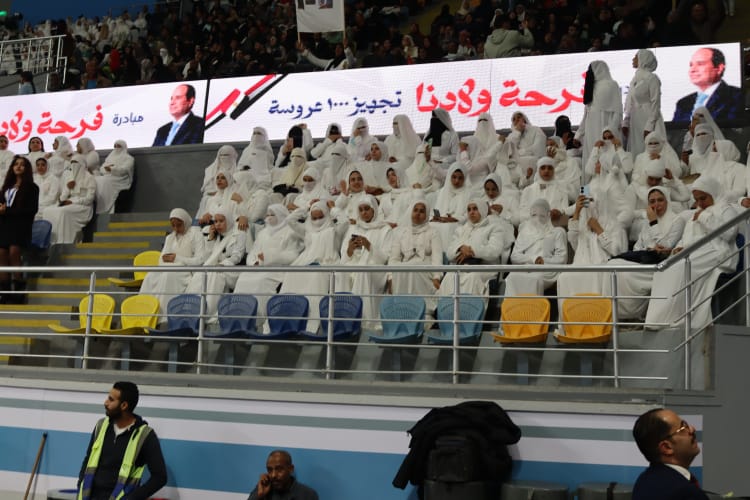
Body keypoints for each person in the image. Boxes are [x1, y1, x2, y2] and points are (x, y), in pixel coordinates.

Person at [645, 176, 737, 332]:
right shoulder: (697, 213)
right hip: (696, 251)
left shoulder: (726, 209)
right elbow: (686, 237)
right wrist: (679, 248)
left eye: (703, 198)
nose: (700, 203)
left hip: (718, 252)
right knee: (664, 269)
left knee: (680, 268)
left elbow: (730, 233)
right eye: (697, 199)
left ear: (713, 192)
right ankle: (658, 319)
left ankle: (675, 319)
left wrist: (704, 217)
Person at [605, 186, 686, 320]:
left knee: (623, 273)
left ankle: (631, 313)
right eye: (652, 202)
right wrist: (651, 229)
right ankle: (618, 314)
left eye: (660, 200)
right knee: (612, 265)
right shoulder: (647, 223)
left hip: (661, 264)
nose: (656, 205)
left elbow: (665, 246)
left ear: (667, 201)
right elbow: (638, 247)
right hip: (643, 260)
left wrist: (654, 222)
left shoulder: (677, 220)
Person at [77, 381, 167, 500]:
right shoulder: (101, 426)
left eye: (111, 400)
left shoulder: (145, 436)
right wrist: (80, 485)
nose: (105, 403)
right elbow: (88, 459)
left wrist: (132, 498)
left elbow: (160, 478)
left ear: (124, 405)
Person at [139, 208, 206, 315]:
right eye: (173, 226)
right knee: (150, 276)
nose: (176, 229)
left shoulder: (196, 235)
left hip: (185, 271)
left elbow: (200, 260)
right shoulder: (170, 238)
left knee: (168, 276)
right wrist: (165, 260)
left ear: (185, 222)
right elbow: (161, 260)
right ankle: (144, 313)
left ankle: (164, 315)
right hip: (169, 269)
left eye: (179, 225)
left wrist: (177, 259)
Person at [631, 408, 708, 500]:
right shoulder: (687, 493)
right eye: (683, 428)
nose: (692, 429)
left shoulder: (644, 481)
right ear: (667, 447)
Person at [387, 200, 443, 316]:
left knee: (412, 267)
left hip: (425, 268)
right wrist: (391, 277)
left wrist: (437, 277)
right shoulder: (401, 232)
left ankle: (423, 310)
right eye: (415, 210)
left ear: (426, 215)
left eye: (422, 211)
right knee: (401, 268)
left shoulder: (433, 232)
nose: (417, 213)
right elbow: (393, 259)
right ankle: (401, 308)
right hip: (405, 269)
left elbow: (437, 257)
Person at [505, 198, 567, 297]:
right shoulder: (524, 232)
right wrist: (533, 259)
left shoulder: (558, 232)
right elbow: (514, 256)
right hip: (527, 267)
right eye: (534, 215)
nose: (537, 219)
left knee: (534, 279)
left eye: (542, 215)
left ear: (548, 215)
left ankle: (532, 307)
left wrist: (544, 261)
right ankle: (512, 307)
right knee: (512, 277)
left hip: (547, 269)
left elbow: (562, 259)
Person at [0, 156, 39, 303]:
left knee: (14, 252)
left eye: (22, 164)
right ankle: (4, 292)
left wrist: (7, 211)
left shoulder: (32, 188)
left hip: (20, 227)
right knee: (1, 254)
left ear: (27, 168)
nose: (18, 166)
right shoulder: (6, 187)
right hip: (4, 226)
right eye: (16, 164)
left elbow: (31, 210)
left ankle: (18, 290)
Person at [671, 47, 743, 124]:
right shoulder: (683, 103)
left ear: (719, 68)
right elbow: (675, 130)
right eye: (691, 65)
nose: (692, 70)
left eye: (700, 64)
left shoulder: (737, 97)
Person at [575, 61, 623, 169]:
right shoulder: (591, 86)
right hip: (592, 129)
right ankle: (589, 181)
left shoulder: (612, 85)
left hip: (607, 129)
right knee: (592, 157)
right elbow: (586, 114)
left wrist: (611, 130)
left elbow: (617, 111)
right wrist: (578, 135)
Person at [42, 155, 96, 245]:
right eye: (72, 164)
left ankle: (65, 242)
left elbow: (89, 199)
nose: (74, 166)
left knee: (63, 212)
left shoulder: (89, 178)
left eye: (76, 164)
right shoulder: (70, 177)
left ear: (82, 164)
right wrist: (68, 187)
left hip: (83, 206)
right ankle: (52, 242)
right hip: (69, 203)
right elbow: (62, 198)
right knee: (47, 210)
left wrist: (73, 201)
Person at [622, 49, 666, 157]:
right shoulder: (635, 79)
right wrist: (626, 121)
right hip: (636, 119)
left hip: (649, 117)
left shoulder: (652, 78)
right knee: (638, 149)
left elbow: (655, 102)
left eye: (636, 57)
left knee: (651, 149)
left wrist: (650, 125)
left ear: (643, 59)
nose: (633, 59)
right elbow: (630, 101)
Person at [247, 450, 318, 500]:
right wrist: (259, 496)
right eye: (270, 470)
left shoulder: (307, 495)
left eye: (279, 469)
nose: (273, 475)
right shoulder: (262, 489)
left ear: (291, 469)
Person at [94, 140, 134, 214]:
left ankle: (107, 207)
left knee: (105, 181)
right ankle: (101, 205)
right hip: (108, 176)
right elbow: (102, 169)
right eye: (115, 146)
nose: (116, 148)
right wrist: (107, 169)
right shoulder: (110, 157)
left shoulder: (129, 158)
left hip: (121, 178)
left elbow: (124, 170)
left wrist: (112, 169)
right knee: (96, 179)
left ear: (123, 147)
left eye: (118, 146)